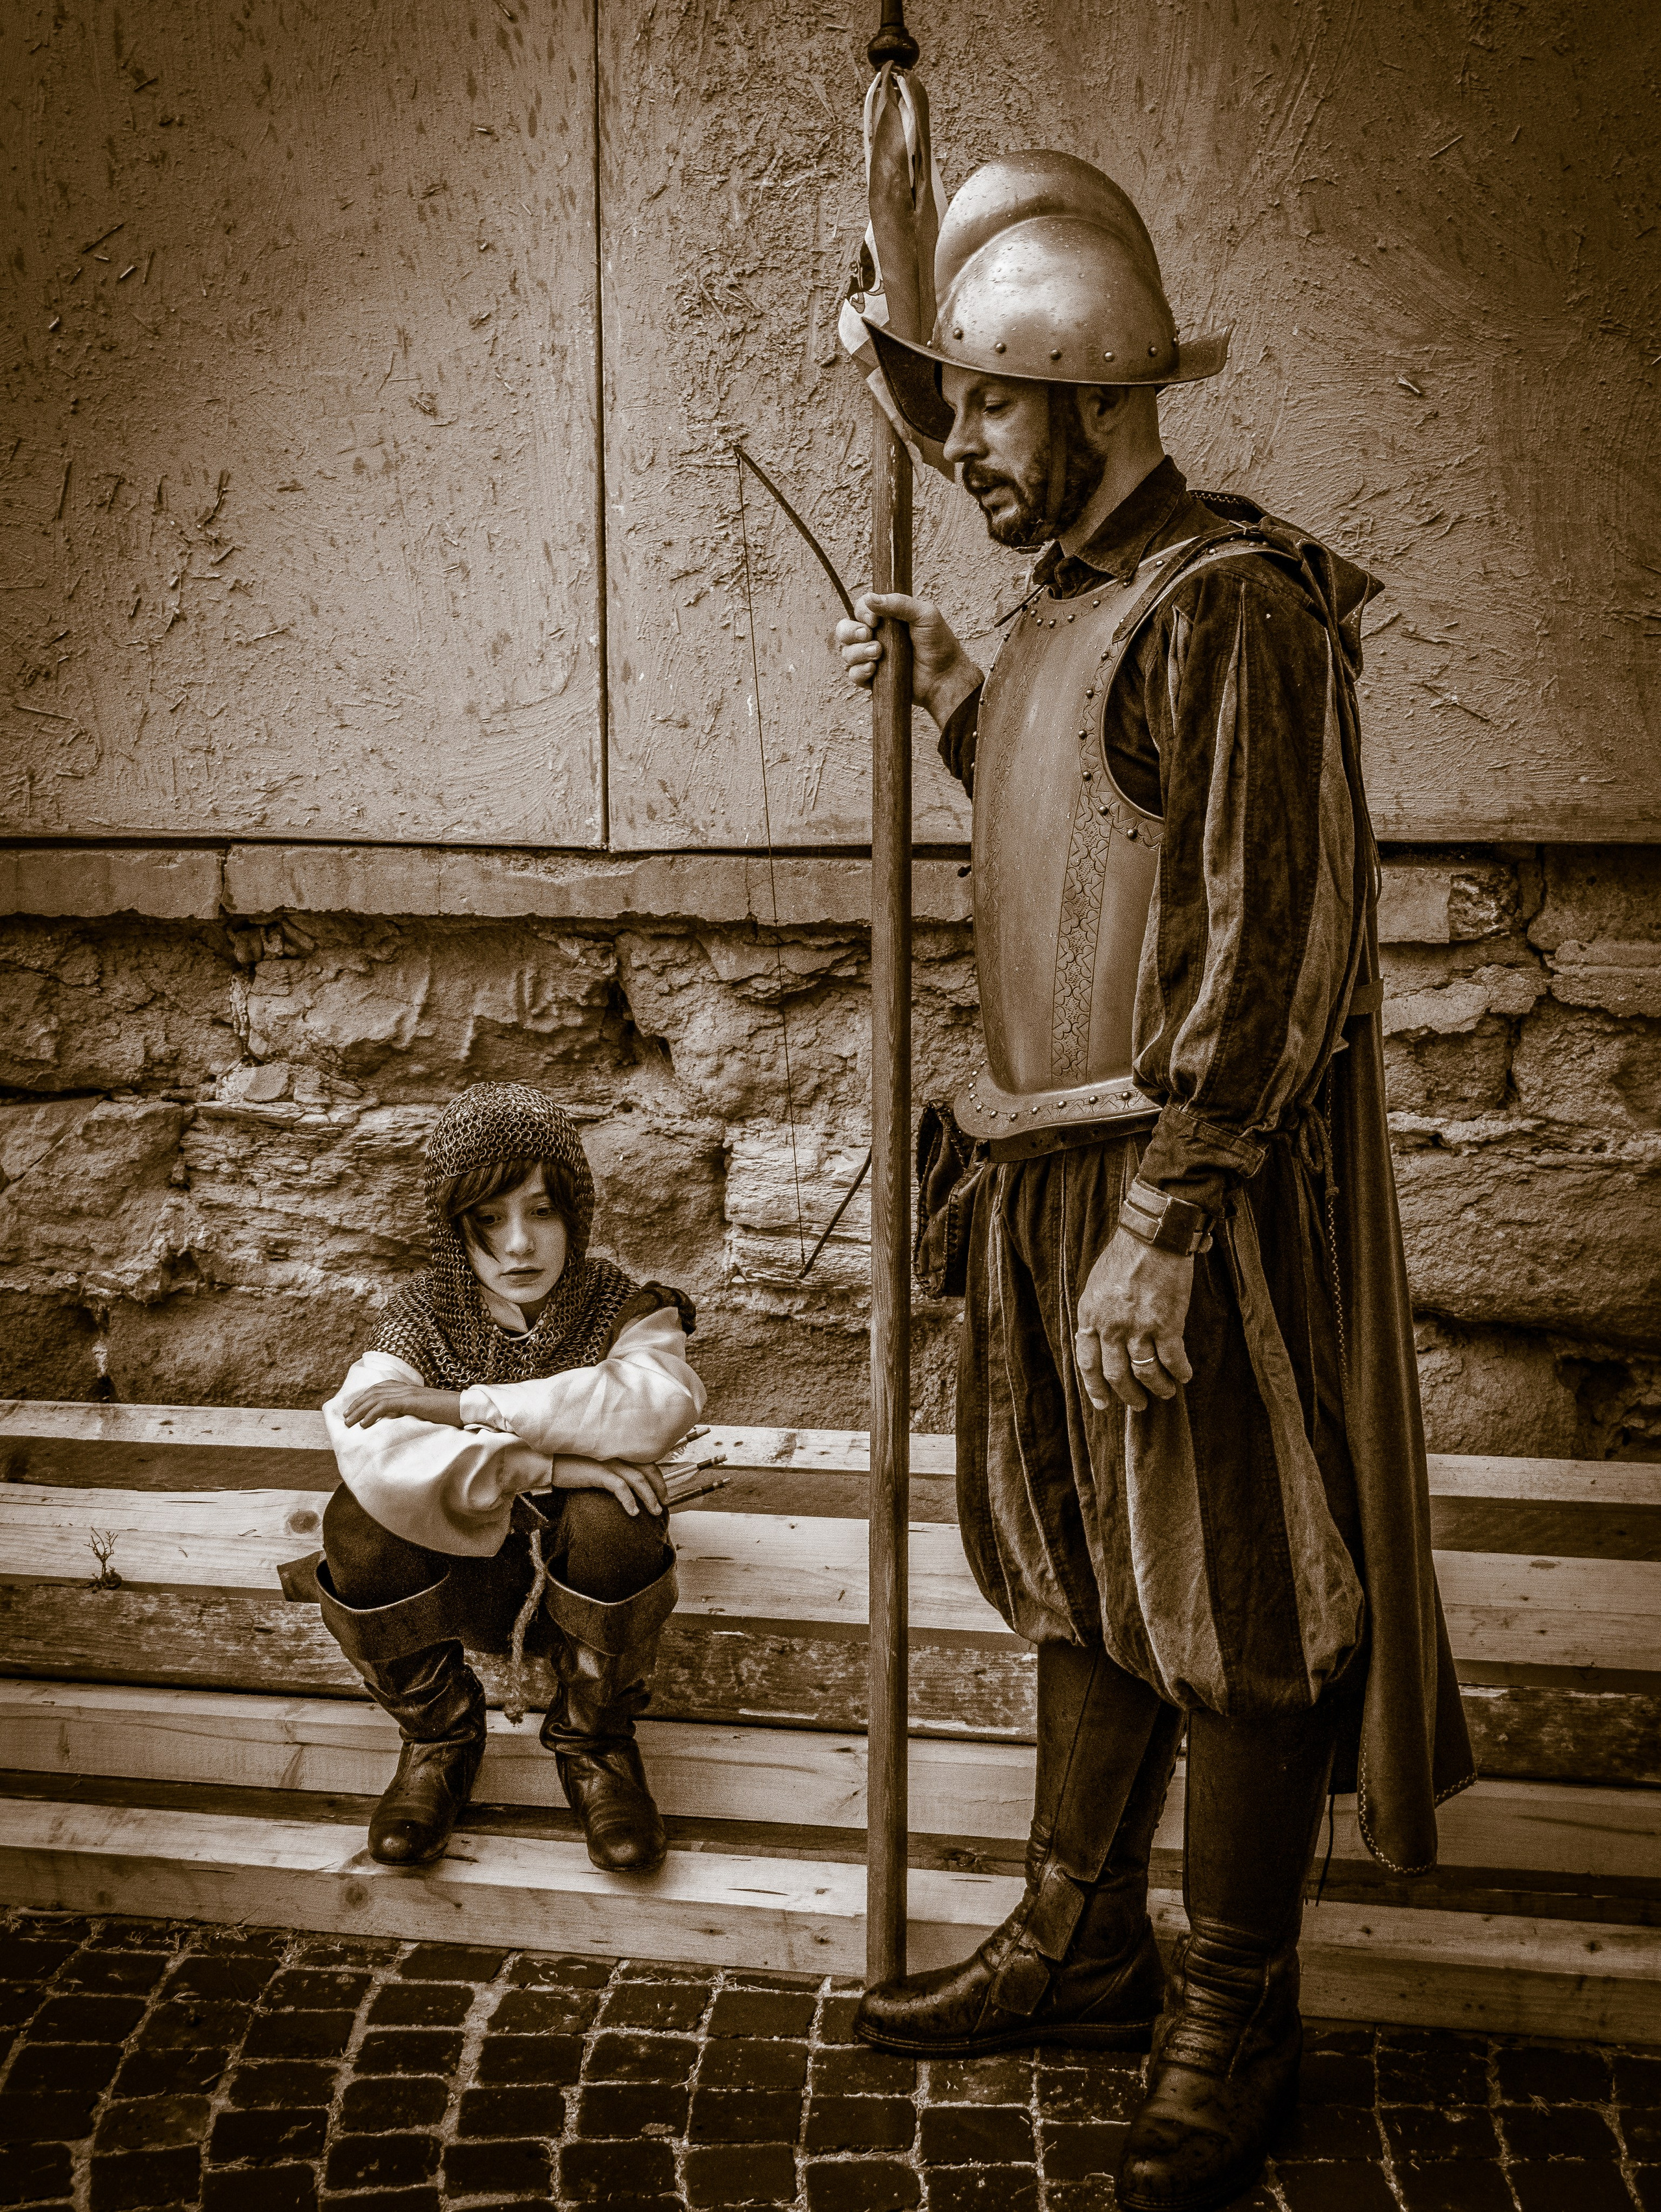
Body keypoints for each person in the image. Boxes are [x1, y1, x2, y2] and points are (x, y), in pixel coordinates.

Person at [836, 152, 1473, 2212]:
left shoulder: (1240, 605)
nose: (966, 450)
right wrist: (957, 701)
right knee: (1081, 1565)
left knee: (1234, 1601)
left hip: (1171, 1195)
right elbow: (1086, 834)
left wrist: (1168, 1216)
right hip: (1046, 1176)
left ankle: (1235, 2008)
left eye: (994, 408)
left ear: (1099, 393)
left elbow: (1263, 935)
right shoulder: (1070, 611)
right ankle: (1078, 1937)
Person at [313, 1081, 704, 1877]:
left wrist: (459, 1404)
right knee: (356, 1519)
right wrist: (555, 1462)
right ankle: (438, 1741)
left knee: (611, 1516)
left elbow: (655, 1406)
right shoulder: (421, 1316)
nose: (519, 1245)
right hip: (459, 1576)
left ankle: (595, 1745)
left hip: (581, 1581)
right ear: (454, 1226)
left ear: (576, 1212)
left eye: (542, 1211)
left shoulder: (621, 1305)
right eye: (489, 1220)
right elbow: (371, 1442)